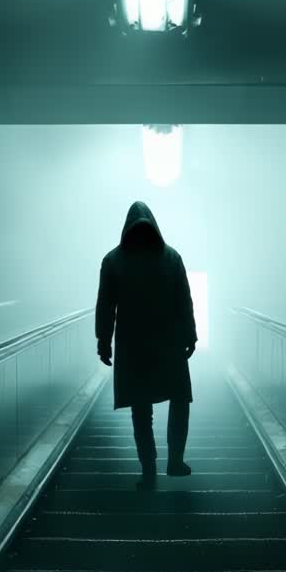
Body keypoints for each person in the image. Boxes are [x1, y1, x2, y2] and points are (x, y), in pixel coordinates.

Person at [95, 201, 197, 490]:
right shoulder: (171, 257)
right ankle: (175, 461)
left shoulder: (113, 260)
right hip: (170, 342)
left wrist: (104, 341)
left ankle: (149, 469)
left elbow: (106, 306)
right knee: (179, 400)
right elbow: (184, 301)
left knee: (141, 410)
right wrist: (190, 335)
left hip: (132, 346)